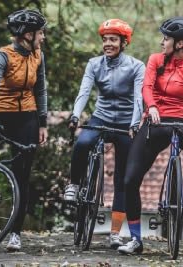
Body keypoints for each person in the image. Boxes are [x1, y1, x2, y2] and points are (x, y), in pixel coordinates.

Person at [118, 17, 183, 254]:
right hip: (155, 122)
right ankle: (136, 240)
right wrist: (153, 107)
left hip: (179, 123)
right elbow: (146, 87)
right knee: (130, 181)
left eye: (166, 38)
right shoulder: (155, 61)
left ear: (179, 44)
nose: (162, 42)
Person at [63, 19, 145, 249]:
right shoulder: (94, 64)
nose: (107, 44)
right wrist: (75, 115)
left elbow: (139, 97)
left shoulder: (136, 66)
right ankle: (75, 184)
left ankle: (116, 233)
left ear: (123, 42)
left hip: (126, 123)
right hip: (100, 118)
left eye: (113, 39)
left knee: (122, 179)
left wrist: (135, 123)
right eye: (105, 40)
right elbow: (84, 90)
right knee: (82, 143)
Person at [0, 9, 48, 251]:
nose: (43, 37)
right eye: (40, 33)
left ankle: (15, 233)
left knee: (22, 173)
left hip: (27, 116)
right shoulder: (2, 56)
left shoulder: (38, 55)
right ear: (27, 34)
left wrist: (42, 122)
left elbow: (41, 90)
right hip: (0, 113)